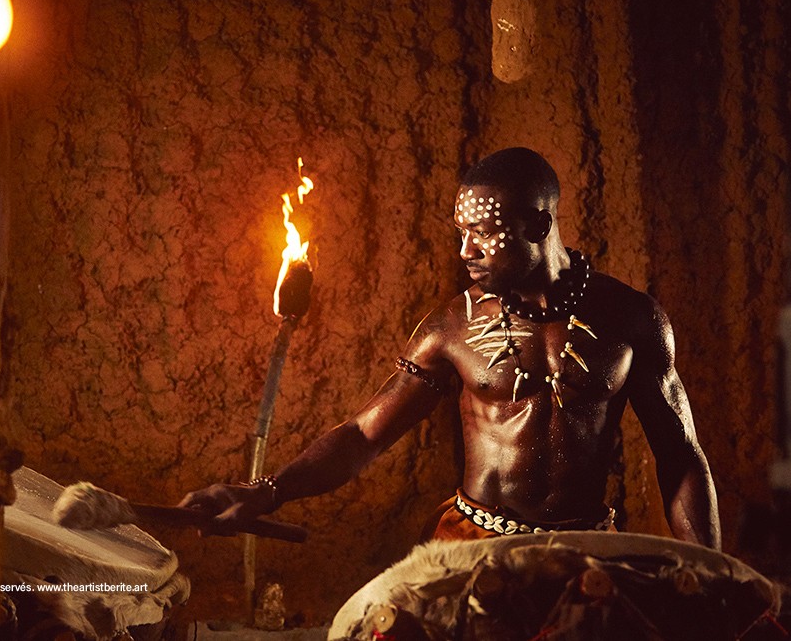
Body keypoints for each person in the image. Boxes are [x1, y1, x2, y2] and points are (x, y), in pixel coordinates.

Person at [181, 147, 721, 549]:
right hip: (471, 545)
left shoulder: (630, 317)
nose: (466, 250)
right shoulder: (450, 327)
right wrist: (265, 490)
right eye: (461, 232)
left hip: (586, 548)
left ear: (539, 223)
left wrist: (709, 572)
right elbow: (364, 434)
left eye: (485, 232)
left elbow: (679, 455)